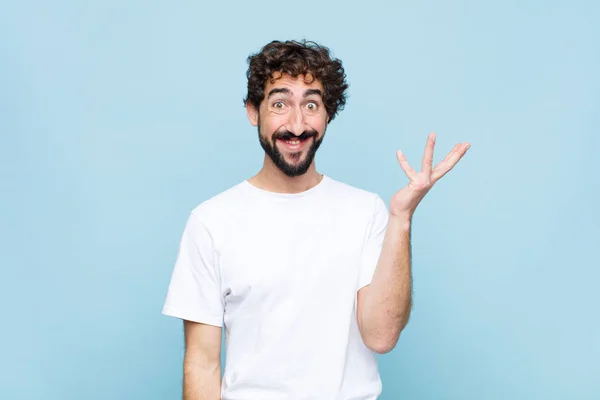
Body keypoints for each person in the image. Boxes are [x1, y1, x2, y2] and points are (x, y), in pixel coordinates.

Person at [162, 39, 470, 399]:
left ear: (328, 114)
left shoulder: (365, 211)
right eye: (279, 104)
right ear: (252, 111)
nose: (296, 124)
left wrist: (401, 218)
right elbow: (202, 363)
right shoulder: (210, 222)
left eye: (311, 104)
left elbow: (381, 336)